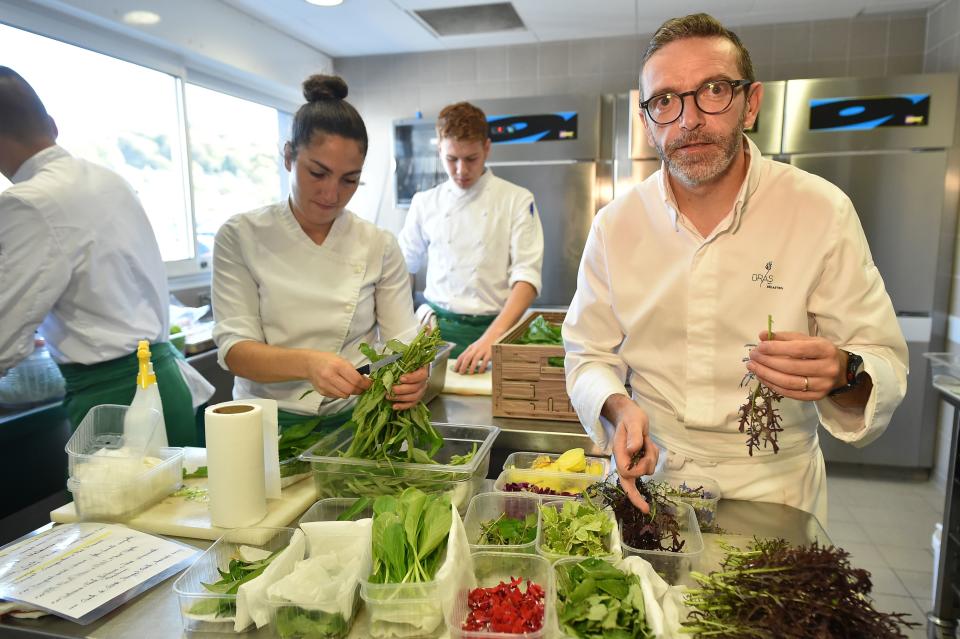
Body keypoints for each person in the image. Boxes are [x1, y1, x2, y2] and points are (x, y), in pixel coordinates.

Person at [562, 14, 908, 522]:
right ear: (647, 122)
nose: (688, 119)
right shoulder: (617, 226)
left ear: (751, 104)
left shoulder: (820, 210)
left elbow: (884, 363)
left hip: (774, 487)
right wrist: (618, 408)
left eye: (713, 90)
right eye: (665, 100)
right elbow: (586, 354)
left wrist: (843, 371)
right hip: (651, 473)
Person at [212, 74, 428, 447]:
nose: (332, 193)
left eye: (350, 180)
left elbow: (401, 344)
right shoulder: (241, 235)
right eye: (318, 173)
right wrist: (310, 364)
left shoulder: (377, 244)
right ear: (288, 156)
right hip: (264, 429)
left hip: (354, 425)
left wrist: (415, 374)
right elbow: (235, 351)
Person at [0, 66, 212, 446]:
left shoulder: (28, 202)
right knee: (181, 504)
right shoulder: (107, 179)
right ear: (52, 125)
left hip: (115, 398)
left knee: (115, 506)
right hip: (164, 383)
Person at [398, 101, 544, 374]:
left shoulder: (516, 199)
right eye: (451, 159)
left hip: (498, 332)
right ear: (439, 148)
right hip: (433, 335)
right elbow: (403, 269)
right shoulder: (424, 203)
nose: (461, 171)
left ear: (487, 148)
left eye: (471, 158)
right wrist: (412, 319)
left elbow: (527, 278)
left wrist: (492, 339)